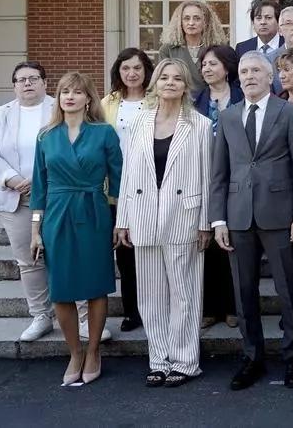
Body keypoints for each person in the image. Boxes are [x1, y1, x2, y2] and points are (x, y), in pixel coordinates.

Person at [209, 50, 293, 391]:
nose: (250, 75)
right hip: (238, 216)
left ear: (270, 77)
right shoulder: (228, 117)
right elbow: (219, 173)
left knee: (287, 290)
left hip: (281, 214)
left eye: (257, 70)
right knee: (244, 292)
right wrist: (218, 220)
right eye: (244, 71)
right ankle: (251, 357)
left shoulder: (289, 113)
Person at [114, 59, 212, 387]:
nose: (170, 83)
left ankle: (185, 361)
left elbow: (208, 177)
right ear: (155, 83)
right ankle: (158, 359)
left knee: (184, 293)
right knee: (151, 295)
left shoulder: (198, 124)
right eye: (164, 77)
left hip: (183, 214)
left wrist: (205, 223)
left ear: (186, 86)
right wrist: (123, 219)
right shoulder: (140, 121)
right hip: (143, 214)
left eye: (177, 79)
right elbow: (128, 174)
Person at [29, 72, 123, 385]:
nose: (70, 96)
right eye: (65, 91)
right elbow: (39, 188)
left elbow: (120, 181)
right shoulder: (46, 135)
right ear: (58, 98)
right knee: (61, 288)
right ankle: (74, 352)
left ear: (88, 99)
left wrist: (120, 220)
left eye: (77, 92)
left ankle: (94, 350)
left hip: (94, 212)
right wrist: (34, 230)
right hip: (56, 214)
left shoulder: (104, 133)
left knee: (96, 284)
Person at [0, 62, 56, 342]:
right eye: (21, 79)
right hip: (17, 198)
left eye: (33, 78)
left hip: (55, 196)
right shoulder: (1, 114)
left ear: (45, 83)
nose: (27, 83)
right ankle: (41, 315)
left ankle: (82, 316)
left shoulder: (58, 108)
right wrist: (13, 179)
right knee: (29, 259)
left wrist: (43, 182)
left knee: (66, 256)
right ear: (14, 85)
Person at [100, 48, 153, 333]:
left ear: (146, 71)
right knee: (126, 253)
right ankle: (133, 310)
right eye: (125, 69)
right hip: (116, 188)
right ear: (118, 72)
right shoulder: (107, 103)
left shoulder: (156, 101)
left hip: (151, 186)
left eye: (137, 68)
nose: (132, 74)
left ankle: (155, 307)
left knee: (150, 250)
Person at [191, 45, 240, 329]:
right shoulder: (196, 100)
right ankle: (210, 307)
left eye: (213, 63)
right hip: (205, 176)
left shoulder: (240, 96)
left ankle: (233, 306)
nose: (207, 69)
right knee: (207, 244)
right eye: (204, 64)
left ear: (226, 67)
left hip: (236, 177)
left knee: (232, 243)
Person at [157, 1, 228, 97]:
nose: (191, 23)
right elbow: (162, 80)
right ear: (180, 22)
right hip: (179, 101)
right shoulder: (167, 49)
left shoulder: (219, 49)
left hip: (211, 102)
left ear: (206, 22)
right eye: (186, 18)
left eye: (197, 18)